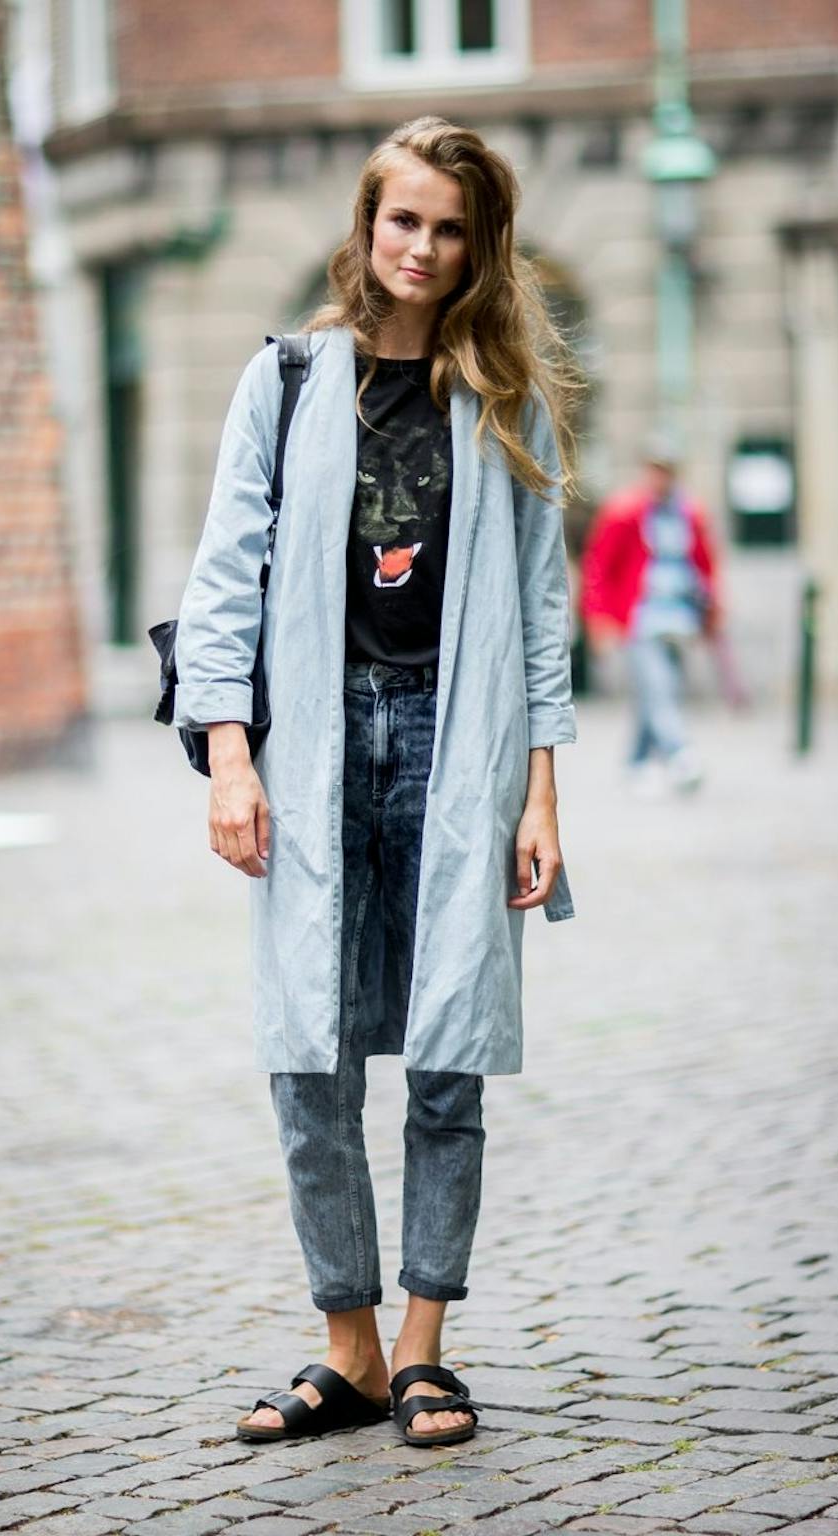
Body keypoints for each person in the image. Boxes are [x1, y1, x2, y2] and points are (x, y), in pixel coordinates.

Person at [174, 115, 580, 1449]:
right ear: (366, 225)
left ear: (480, 247)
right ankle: (347, 1348)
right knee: (310, 1050)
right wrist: (228, 759)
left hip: (458, 744)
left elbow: (539, 606)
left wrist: (541, 793)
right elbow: (224, 578)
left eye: (450, 228)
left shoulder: (503, 398)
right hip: (315, 745)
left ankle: (422, 1349)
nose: (422, 246)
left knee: (450, 1051)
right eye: (403, 219)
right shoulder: (287, 380)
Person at [579, 429, 720, 794]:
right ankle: (680, 752)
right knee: (658, 685)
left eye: (667, 469)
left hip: (680, 618)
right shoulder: (625, 512)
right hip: (641, 619)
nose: (661, 477)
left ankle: (638, 762)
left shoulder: (689, 513)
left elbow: (704, 565)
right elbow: (599, 566)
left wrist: (711, 613)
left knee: (655, 691)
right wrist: (597, 617)